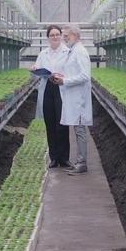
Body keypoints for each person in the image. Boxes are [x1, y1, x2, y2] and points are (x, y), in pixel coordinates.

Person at [52, 24, 92, 176]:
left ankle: (82, 164)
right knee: (77, 129)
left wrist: (65, 81)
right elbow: (74, 72)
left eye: (66, 36)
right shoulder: (74, 51)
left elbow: (84, 76)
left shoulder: (80, 52)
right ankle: (79, 162)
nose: (64, 39)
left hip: (79, 99)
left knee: (80, 130)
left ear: (75, 35)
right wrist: (63, 76)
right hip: (74, 97)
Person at [30, 26, 72, 169]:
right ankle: (54, 157)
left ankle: (64, 158)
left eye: (57, 34)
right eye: (52, 35)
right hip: (48, 87)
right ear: (48, 38)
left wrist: (62, 76)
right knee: (50, 123)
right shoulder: (43, 54)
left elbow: (72, 71)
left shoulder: (68, 52)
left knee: (62, 123)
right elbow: (35, 72)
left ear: (61, 36)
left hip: (61, 87)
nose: (55, 37)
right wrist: (34, 70)